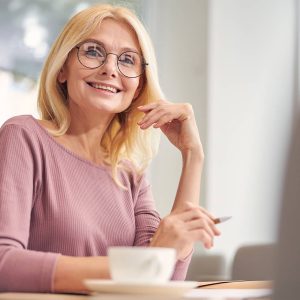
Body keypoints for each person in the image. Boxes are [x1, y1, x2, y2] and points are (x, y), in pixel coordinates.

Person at [0, 4, 220, 293]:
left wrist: (193, 155)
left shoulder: (130, 175)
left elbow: (160, 281)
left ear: (139, 86)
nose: (109, 69)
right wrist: (140, 265)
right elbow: (4, 263)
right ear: (63, 68)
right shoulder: (23, 136)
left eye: (128, 60)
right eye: (93, 51)